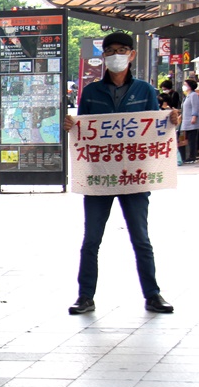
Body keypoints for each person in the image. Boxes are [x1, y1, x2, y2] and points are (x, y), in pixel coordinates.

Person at [63, 32, 179, 315]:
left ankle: (152, 294)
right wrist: (70, 125)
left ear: (131, 55)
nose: (117, 55)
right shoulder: (91, 92)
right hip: (99, 176)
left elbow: (154, 128)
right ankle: (85, 296)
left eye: (122, 50)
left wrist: (171, 121)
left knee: (141, 237)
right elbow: (84, 130)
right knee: (91, 239)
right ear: (103, 56)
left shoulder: (145, 91)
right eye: (111, 50)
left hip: (135, 176)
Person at [180, 78, 199, 164]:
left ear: (190, 86)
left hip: (192, 121)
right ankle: (189, 156)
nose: (184, 86)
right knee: (189, 139)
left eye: (185, 85)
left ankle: (192, 156)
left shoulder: (194, 95)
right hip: (186, 120)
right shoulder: (187, 96)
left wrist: (194, 117)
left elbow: (195, 107)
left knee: (192, 139)